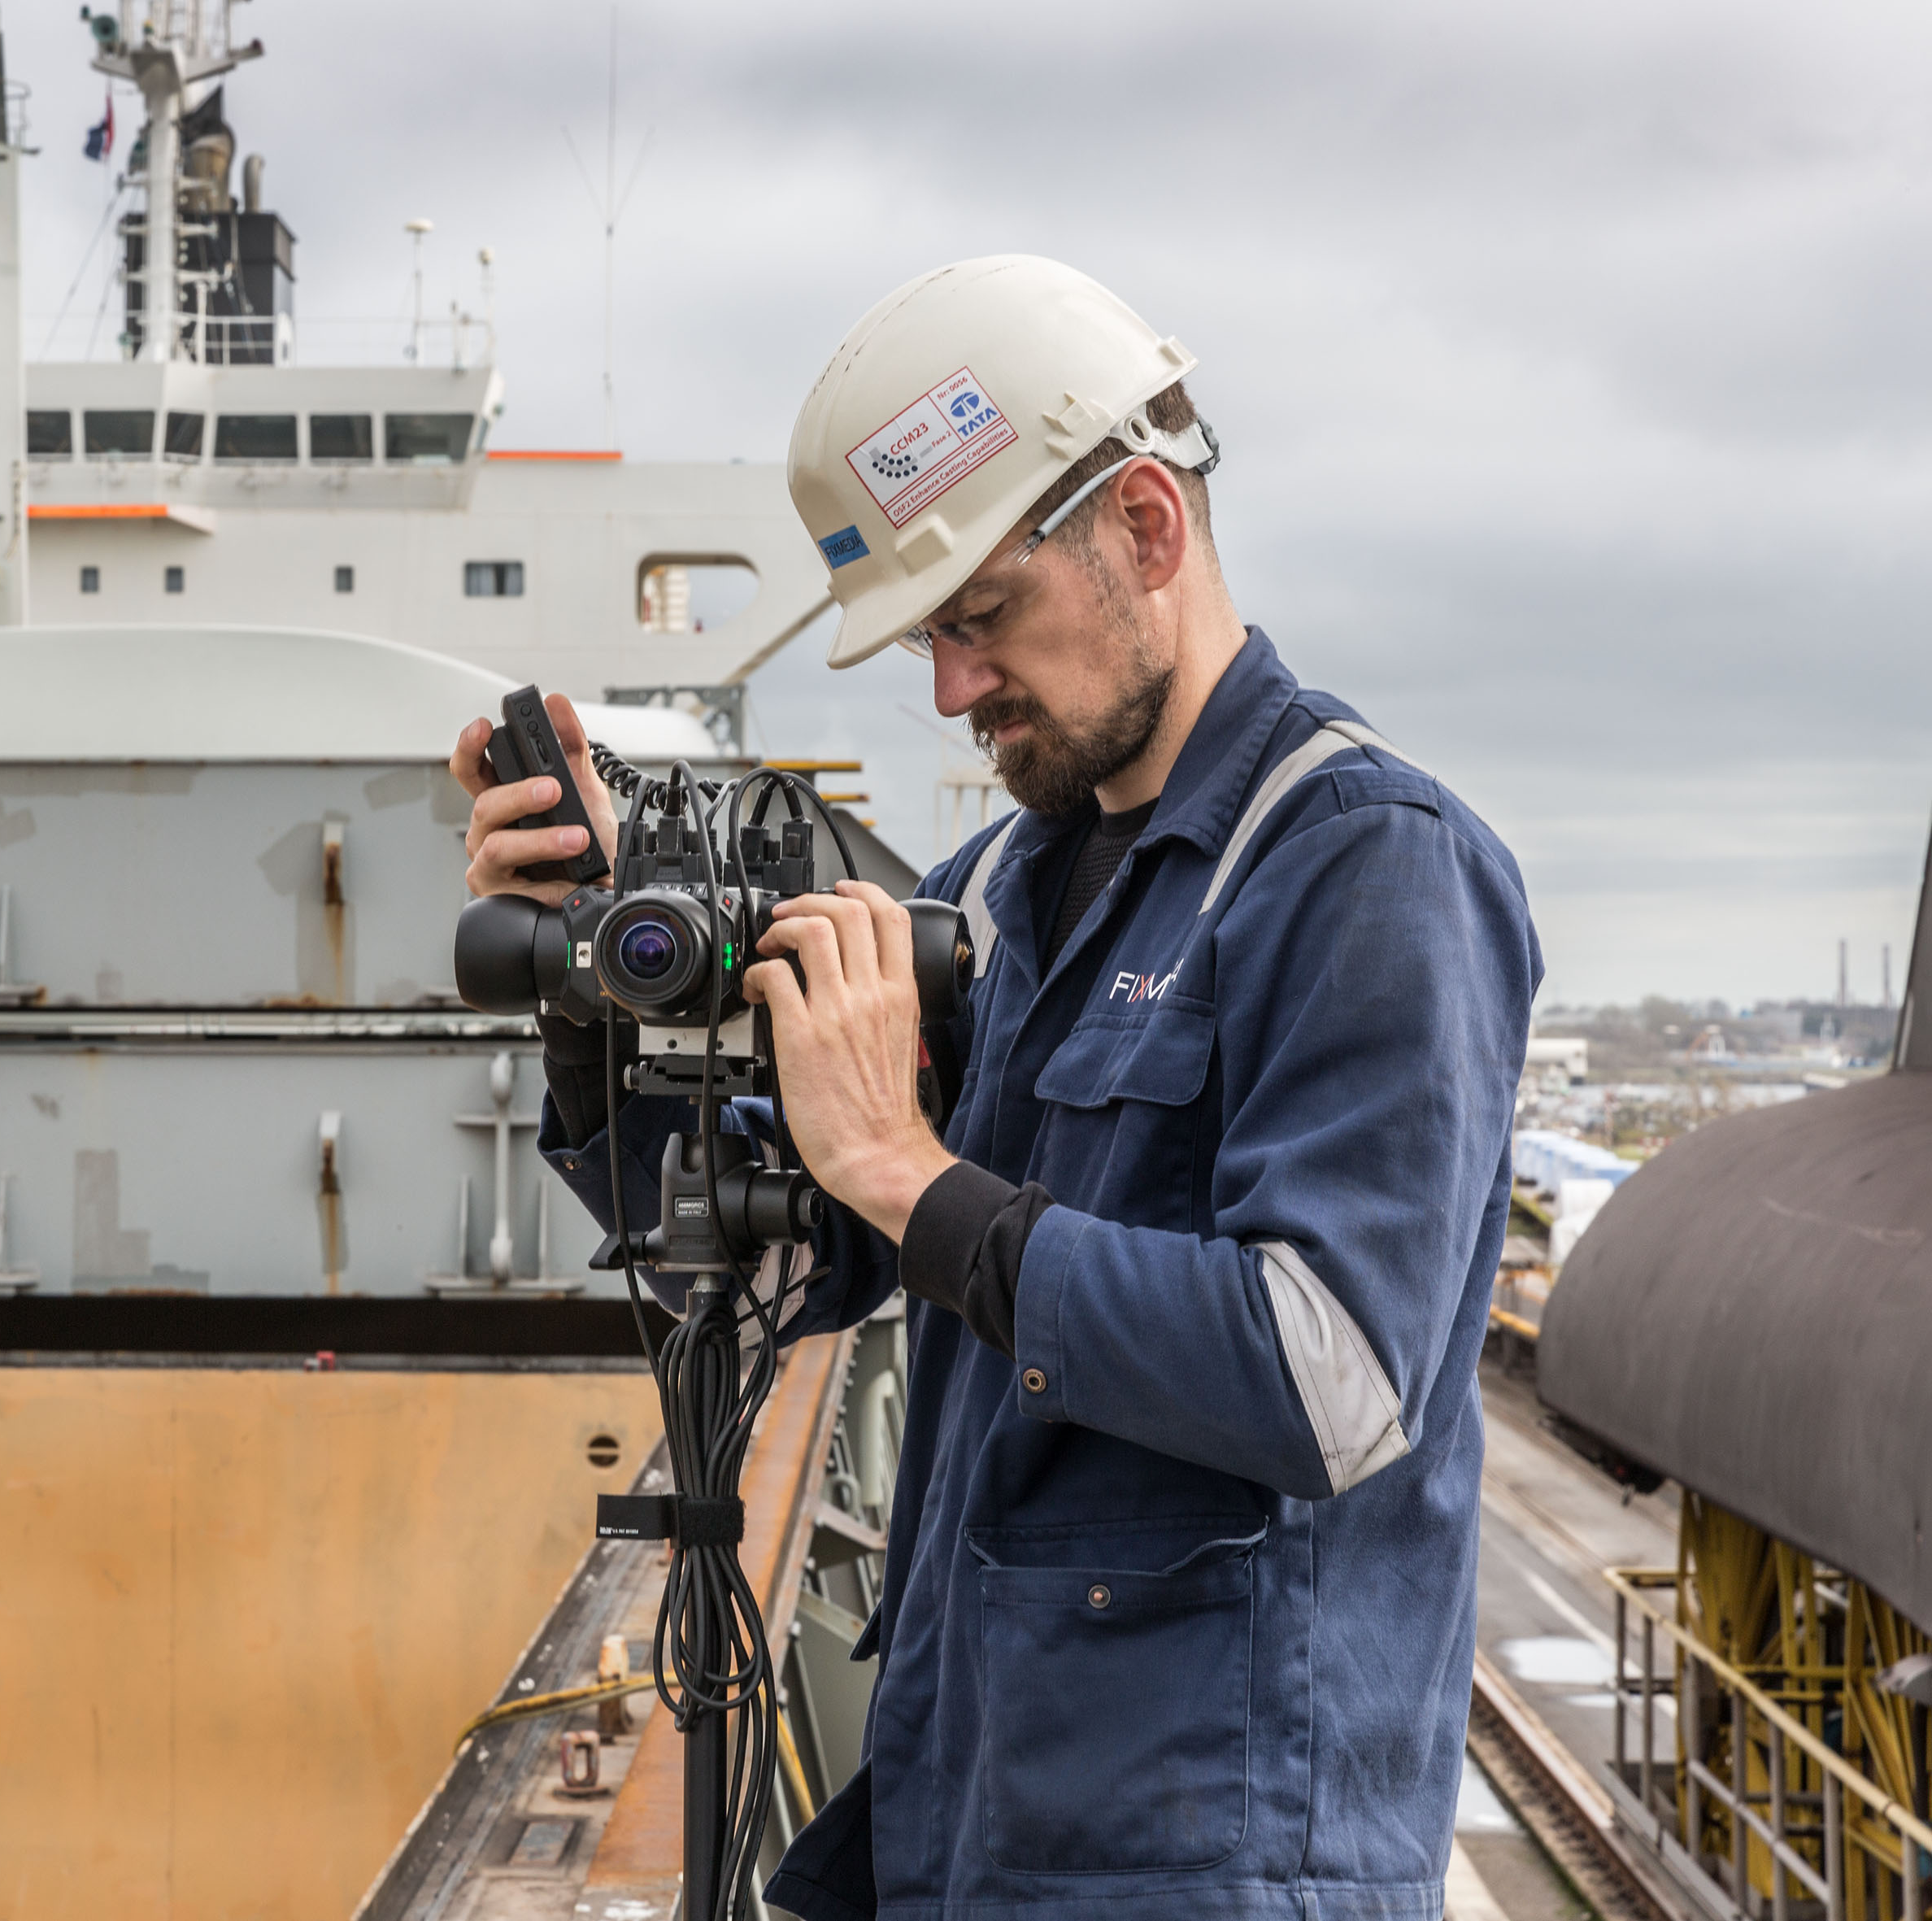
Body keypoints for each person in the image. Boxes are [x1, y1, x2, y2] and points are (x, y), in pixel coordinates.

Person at [450, 255, 1539, 1921]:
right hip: (970, 1827)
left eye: (979, 617)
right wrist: (600, 990)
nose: (952, 689)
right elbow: (771, 1262)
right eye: (928, 640)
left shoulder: (1366, 869)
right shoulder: (1002, 895)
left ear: (1145, 529)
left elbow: (1329, 1378)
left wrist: (909, 1170)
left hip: (1211, 1873)